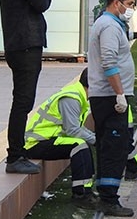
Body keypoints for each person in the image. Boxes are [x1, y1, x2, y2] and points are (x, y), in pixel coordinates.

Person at [0, 0, 51, 174]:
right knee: (22, 101)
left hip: (22, 44)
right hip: (24, 45)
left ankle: (17, 151)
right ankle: (15, 155)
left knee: (23, 100)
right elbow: (41, 2)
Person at [87, 0, 137, 217]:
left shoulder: (113, 24)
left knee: (112, 146)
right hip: (110, 97)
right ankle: (109, 198)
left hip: (110, 96)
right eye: (129, 4)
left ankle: (107, 195)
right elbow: (109, 61)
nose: (131, 9)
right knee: (114, 147)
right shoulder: (108, 26)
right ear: (116, 3)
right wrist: (119, 93)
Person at [24, 69, 98, 210]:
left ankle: (86, 192)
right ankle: (80, 195)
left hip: (47, 139)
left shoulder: (78, 95)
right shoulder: (72, 98)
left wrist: (94, 139)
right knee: (80, 145)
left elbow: (75, 128)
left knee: (82, 145)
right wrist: (97, 141)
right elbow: (73, 130)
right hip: (36, 143)